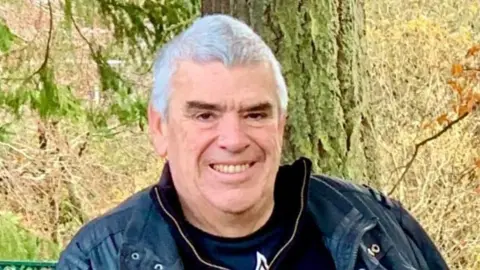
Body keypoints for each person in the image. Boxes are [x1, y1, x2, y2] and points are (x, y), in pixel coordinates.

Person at [57, 14, 449, 270]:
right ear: (160, 129)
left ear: (281, 126)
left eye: (255, 114)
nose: (233, 139)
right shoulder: (100, 258)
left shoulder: (375, 226)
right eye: (205, 115)